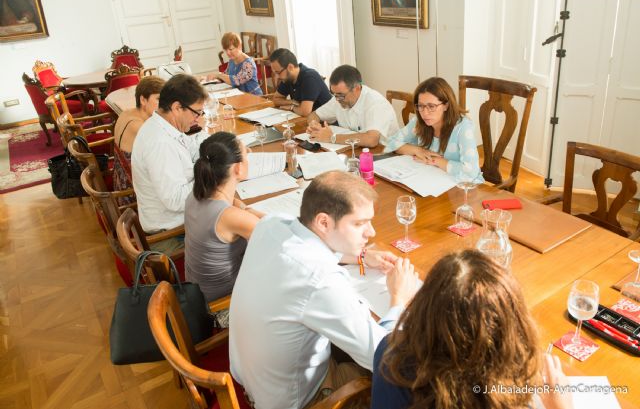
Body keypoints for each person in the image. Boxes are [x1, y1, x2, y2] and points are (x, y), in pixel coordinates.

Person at [229, 171, 419, 409]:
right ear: (323, 222)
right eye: (359, 223)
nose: (371, 232)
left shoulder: (271, 223)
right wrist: (399, 299)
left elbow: (309, 249)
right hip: (295, 400)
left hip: (253, 376)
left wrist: (361, 256)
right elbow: (383, 357)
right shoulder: (319, 279)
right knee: (407, 376)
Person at [371, 249, 573, 409]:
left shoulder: (390, 353)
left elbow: (390, 336)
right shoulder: (507, 392)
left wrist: (397, 301)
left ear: (425, 305)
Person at [131, 74, 209, 253]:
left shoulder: (162, 125)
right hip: (172, 236)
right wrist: (211, 175)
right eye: (197, 112)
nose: (198, 118)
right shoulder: (160, 143)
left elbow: (189, 147)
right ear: (177, 108)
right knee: (239, 240)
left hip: (179, 224)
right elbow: (175, 200)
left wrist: (219, 143)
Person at [185, 131, 264, 306]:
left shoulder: (196, 194)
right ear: (238, 168)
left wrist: (245, 209)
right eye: (246, 153)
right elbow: (274, 236)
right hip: (222, 305)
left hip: (197, 292)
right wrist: (254, 214)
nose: (249, 155)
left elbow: (233, 203)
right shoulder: (230, 217)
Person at [384, 77, 483, 181]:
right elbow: (390, 142)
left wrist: (435, 160)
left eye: (431, 106)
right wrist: (417, 150)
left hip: (462, 186)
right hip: (430, 179)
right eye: (421, 106)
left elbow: (471, 172)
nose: (425, 113)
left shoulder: (463, 127)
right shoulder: (419, 121)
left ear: (446, 105)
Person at [306, 65, 398, 147]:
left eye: (340, 95)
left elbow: (371, 140)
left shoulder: (375, 103)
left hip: (385, 153)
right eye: (333, 94)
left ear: (357, 88)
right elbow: (314, 115)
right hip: (355, 149)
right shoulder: (338, 98)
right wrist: (314, 125)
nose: (337, 99)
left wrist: (332, 137)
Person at [113, 76, 165, 205]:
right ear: (143, 99)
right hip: (133, 193)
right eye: (159, 99)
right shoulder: (139, 126)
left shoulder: (127, 113)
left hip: (121, 181)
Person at [268, 48, 331, 116]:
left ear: (290, 67)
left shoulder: (309, 77)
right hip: (308, 119)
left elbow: (305, 112)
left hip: (326, 122)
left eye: (278, 72)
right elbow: (276, 99)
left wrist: (291, 107)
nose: (277, 77)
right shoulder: (287, 77)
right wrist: (292, 102)